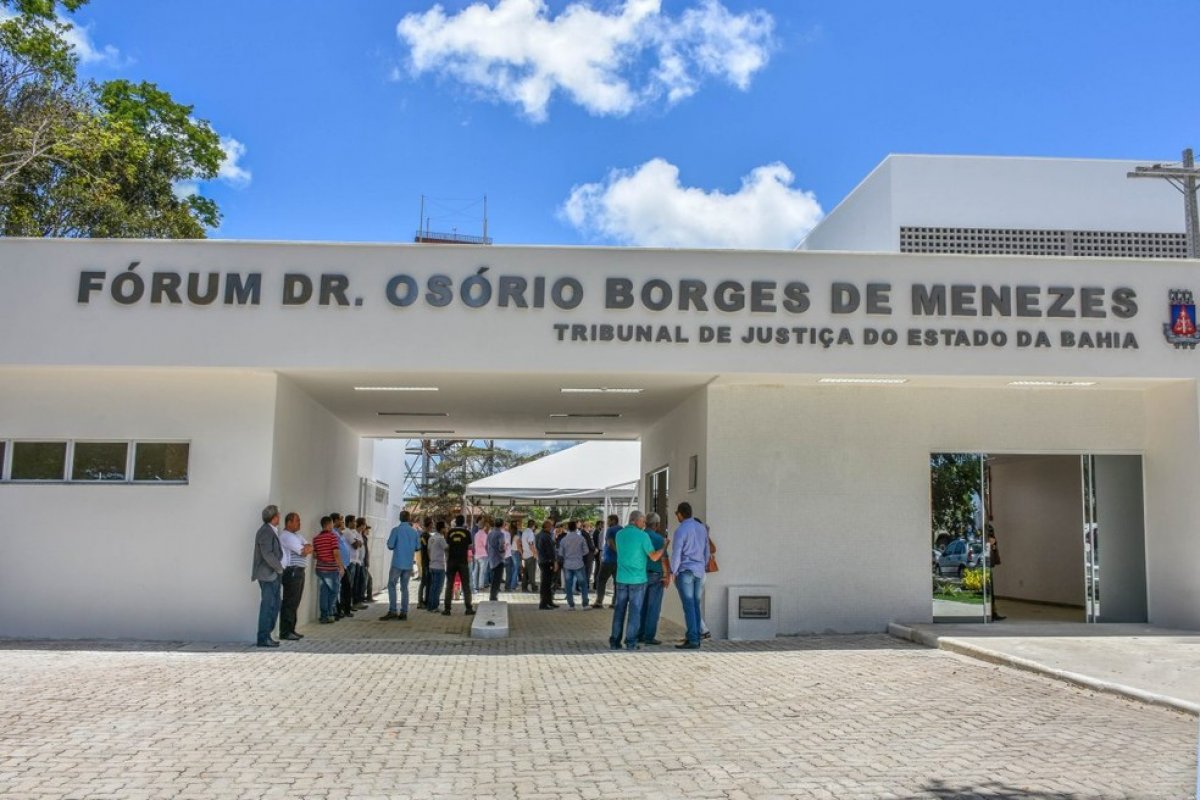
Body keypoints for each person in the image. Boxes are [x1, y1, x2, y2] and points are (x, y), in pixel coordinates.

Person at [609, 509, 662, 650]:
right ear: (636, 521)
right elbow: (654, 557)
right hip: (637, 579)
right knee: (635, 611)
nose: (644, 524)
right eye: (643, 521)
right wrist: (664, 546)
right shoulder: (642, 536)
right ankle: (631, 642)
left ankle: (615, 641)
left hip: (621, 578)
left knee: (619, 610)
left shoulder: (619, 535)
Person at [671, 502, 708, 649]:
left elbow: (676, 554)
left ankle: (692, 639)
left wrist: (673, 572)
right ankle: (696, 636)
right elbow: (706, 550)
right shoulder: (701, 528)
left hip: (686, 570)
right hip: (699, 570)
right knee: (695, 604)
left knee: (688, 605)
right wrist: (703, 566)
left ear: (680, 514)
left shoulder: (681, 530)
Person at [251, 504, 284, 648]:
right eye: (278, 515)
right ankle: (263, 638)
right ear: (274, 517)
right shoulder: (265, 531)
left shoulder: (271, 530)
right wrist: (279, 568)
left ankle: (267, 635)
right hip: (268, 575)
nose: (280, 517)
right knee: (268, 605)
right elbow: (267, 554)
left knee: (274, 605)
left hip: (272, 574)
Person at [381, 510, 421, 620]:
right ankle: (404, 612)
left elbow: (390, 545)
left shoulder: (396, 530)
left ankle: (393, 610)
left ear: (400, 518)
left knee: (392, 585)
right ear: (409, 519)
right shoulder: (414, 532)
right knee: (404, 588)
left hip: (397, 563)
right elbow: (418, 547)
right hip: (408, 564)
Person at [278, 511, 311, 641]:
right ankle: (285, 632)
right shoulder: (287, 536)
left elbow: (309, 546)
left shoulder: (297, 536)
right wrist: (305, 548)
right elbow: (304, 551)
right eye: (297, 521)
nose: (299, 523)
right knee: (290, 601)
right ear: (289, 522)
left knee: (295, 601)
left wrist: (306, 547)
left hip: (299, 571)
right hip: (292, 571)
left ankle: (292, 629)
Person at [637, 512, 668, 645]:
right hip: (655, 575)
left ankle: (639, 634)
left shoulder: (640, 537)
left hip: (641, 575)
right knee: (653, 607)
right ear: (656, 524)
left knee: (641, 606)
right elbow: (664, 559)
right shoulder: (659, 539)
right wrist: (667, 575)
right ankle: (649, 636)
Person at [312, 516, 344, 624]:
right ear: (329, 524)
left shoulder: (316, 538)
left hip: (320, 569)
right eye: (332, 524)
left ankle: (324, 615)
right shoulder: (332, 537)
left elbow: (315, 555)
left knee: (324, 592)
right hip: (331, 569)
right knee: (334, 591)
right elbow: (335, 553)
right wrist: (341, 566)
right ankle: (329, 613)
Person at [443, 515, 475, 615]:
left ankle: (447, 609)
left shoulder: (450, 532)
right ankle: (468, 608)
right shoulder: (467, 532)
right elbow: (470, 546)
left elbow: (446, 547)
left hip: (451, 561)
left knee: (449, 585)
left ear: (456, 522)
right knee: (466, 585)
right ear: (463, 522)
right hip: (463, 561)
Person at [558, 520, 591, 610]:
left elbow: (560, 553)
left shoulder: (564, 540)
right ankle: (585, 604)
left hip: (567, 564)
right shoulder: (581, 538)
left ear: (568, 528)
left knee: (568, 585)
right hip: (579, 563)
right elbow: (586, 551)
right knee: (583, 584)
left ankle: (571, 605)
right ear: (576, 528)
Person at [591, 514, 620, 609]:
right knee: (617, 582)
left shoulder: (610, 530)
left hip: (609, 560)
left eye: (608, 520)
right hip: (619, 561)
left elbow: (610, 543)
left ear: (613, 520)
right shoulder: (622, 529)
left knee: (601, 580)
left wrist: (617, 552)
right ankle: (615, 602)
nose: (607, 523)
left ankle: (599, 602)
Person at [535, 519, 559, 610]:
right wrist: (554, 561)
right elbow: (550, 551)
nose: (552, 528)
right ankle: (543, 603)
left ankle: (548, 601)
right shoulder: (546, 536)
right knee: (546, 583)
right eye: (551, 526)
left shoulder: (538, 535)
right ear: (548, 527)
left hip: (541, 560)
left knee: (546, 582)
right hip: (547, 561)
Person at [426, 520, 448, 612]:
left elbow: (428, 551)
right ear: (442, 528)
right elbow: (447, 548)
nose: (446, 529)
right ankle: (434, 607)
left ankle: (430, 606)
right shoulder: (441, 539)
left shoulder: (431, 538)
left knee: (433, 587)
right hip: (439, 566)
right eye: (445, 527)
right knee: (438, 587)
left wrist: (431, 560)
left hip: (432, 565)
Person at [986, 524, 1005, 621]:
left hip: (989, 564)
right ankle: (991, 613)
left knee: (991, 591)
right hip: (985, 564)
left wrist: (993, 544)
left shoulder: (988, 528)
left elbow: (994, 549)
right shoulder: (983, 531)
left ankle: (993, 612)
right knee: (989, 590)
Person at [417, 517, 432, 610]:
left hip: (423, 560)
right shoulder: (427, 536)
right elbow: (429, 550)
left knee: (425, 582)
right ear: (429, 526)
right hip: (427, 561)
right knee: (426, 582)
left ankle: (422, 601)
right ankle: (423, 601)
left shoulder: (422, 535)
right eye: (431, 525)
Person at [472, 521, 490, 592]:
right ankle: (481, 586)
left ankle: (475, 586)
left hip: (476, 554)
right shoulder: (484, 535)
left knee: (476, 571)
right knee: (482, 572)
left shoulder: (476, 534)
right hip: (483, 555)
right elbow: (486, 545)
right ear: (484, 527)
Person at [521, 520, 538, 593]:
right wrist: (534, 553)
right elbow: (531, 543)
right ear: (533, 526)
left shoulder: (524, 532)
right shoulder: (530, 533)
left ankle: (524, 587)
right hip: (530, 554)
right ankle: (534, 587)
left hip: (525, 554)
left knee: (525, 572)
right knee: (532, 572)